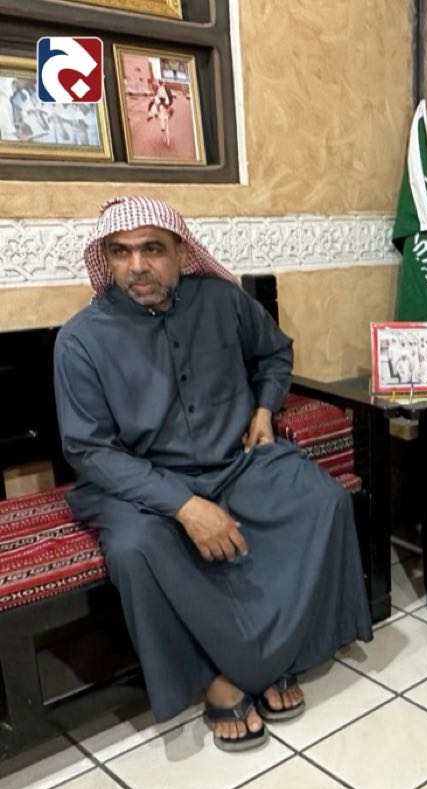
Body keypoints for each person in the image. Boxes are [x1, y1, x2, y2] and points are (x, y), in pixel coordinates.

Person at [53, 196, 373, 753]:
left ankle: (260, 659)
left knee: (322, 501)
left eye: (152, 249)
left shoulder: (223, 301)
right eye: (120, 252)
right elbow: (90, 450)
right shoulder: (81, 339)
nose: (137, 266)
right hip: (138, 485)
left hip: (234, 462)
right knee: (135, 548)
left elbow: (275, 354)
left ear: (181, 251)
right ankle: (220, 677)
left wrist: (265, 409)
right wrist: (183, 506)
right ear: (106, 259)